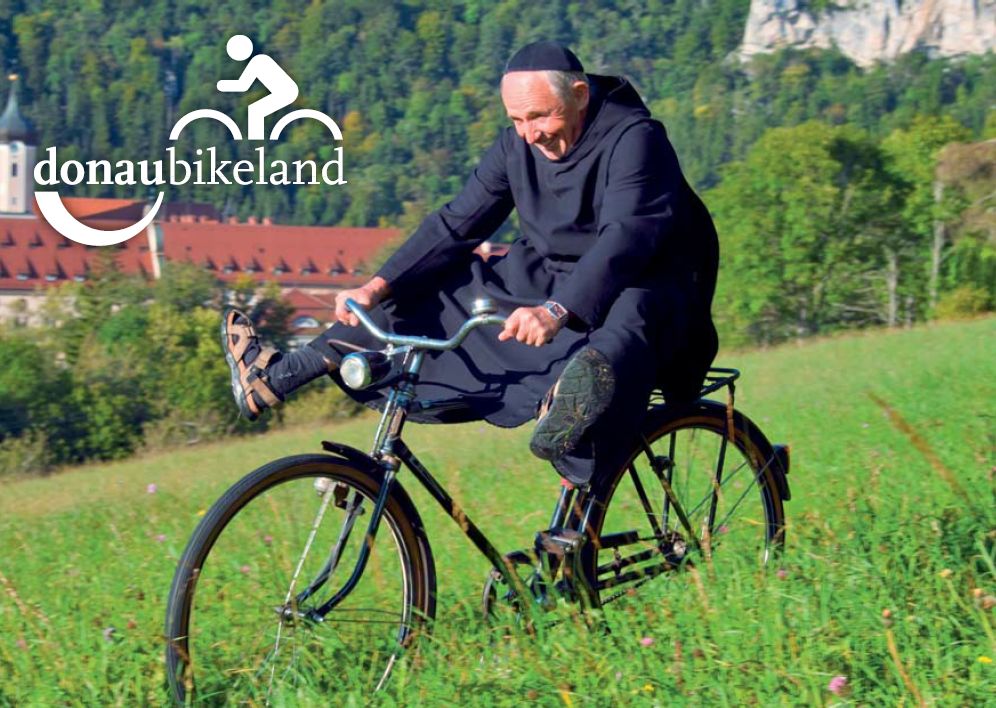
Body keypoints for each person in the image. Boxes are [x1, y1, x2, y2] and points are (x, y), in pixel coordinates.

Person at [222, 41, 719, 486]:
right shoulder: (517, 146)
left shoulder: (636, 139)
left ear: (581, 95)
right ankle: (276, 376)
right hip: (557, 278)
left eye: (540, 117)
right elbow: (456, 225)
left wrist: (556, 311)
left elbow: (625, 239)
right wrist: (376, 286)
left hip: (651, 281)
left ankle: (570, 420)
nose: (529, 135)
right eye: (517, 121)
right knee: (436, 292)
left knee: (615, 344)